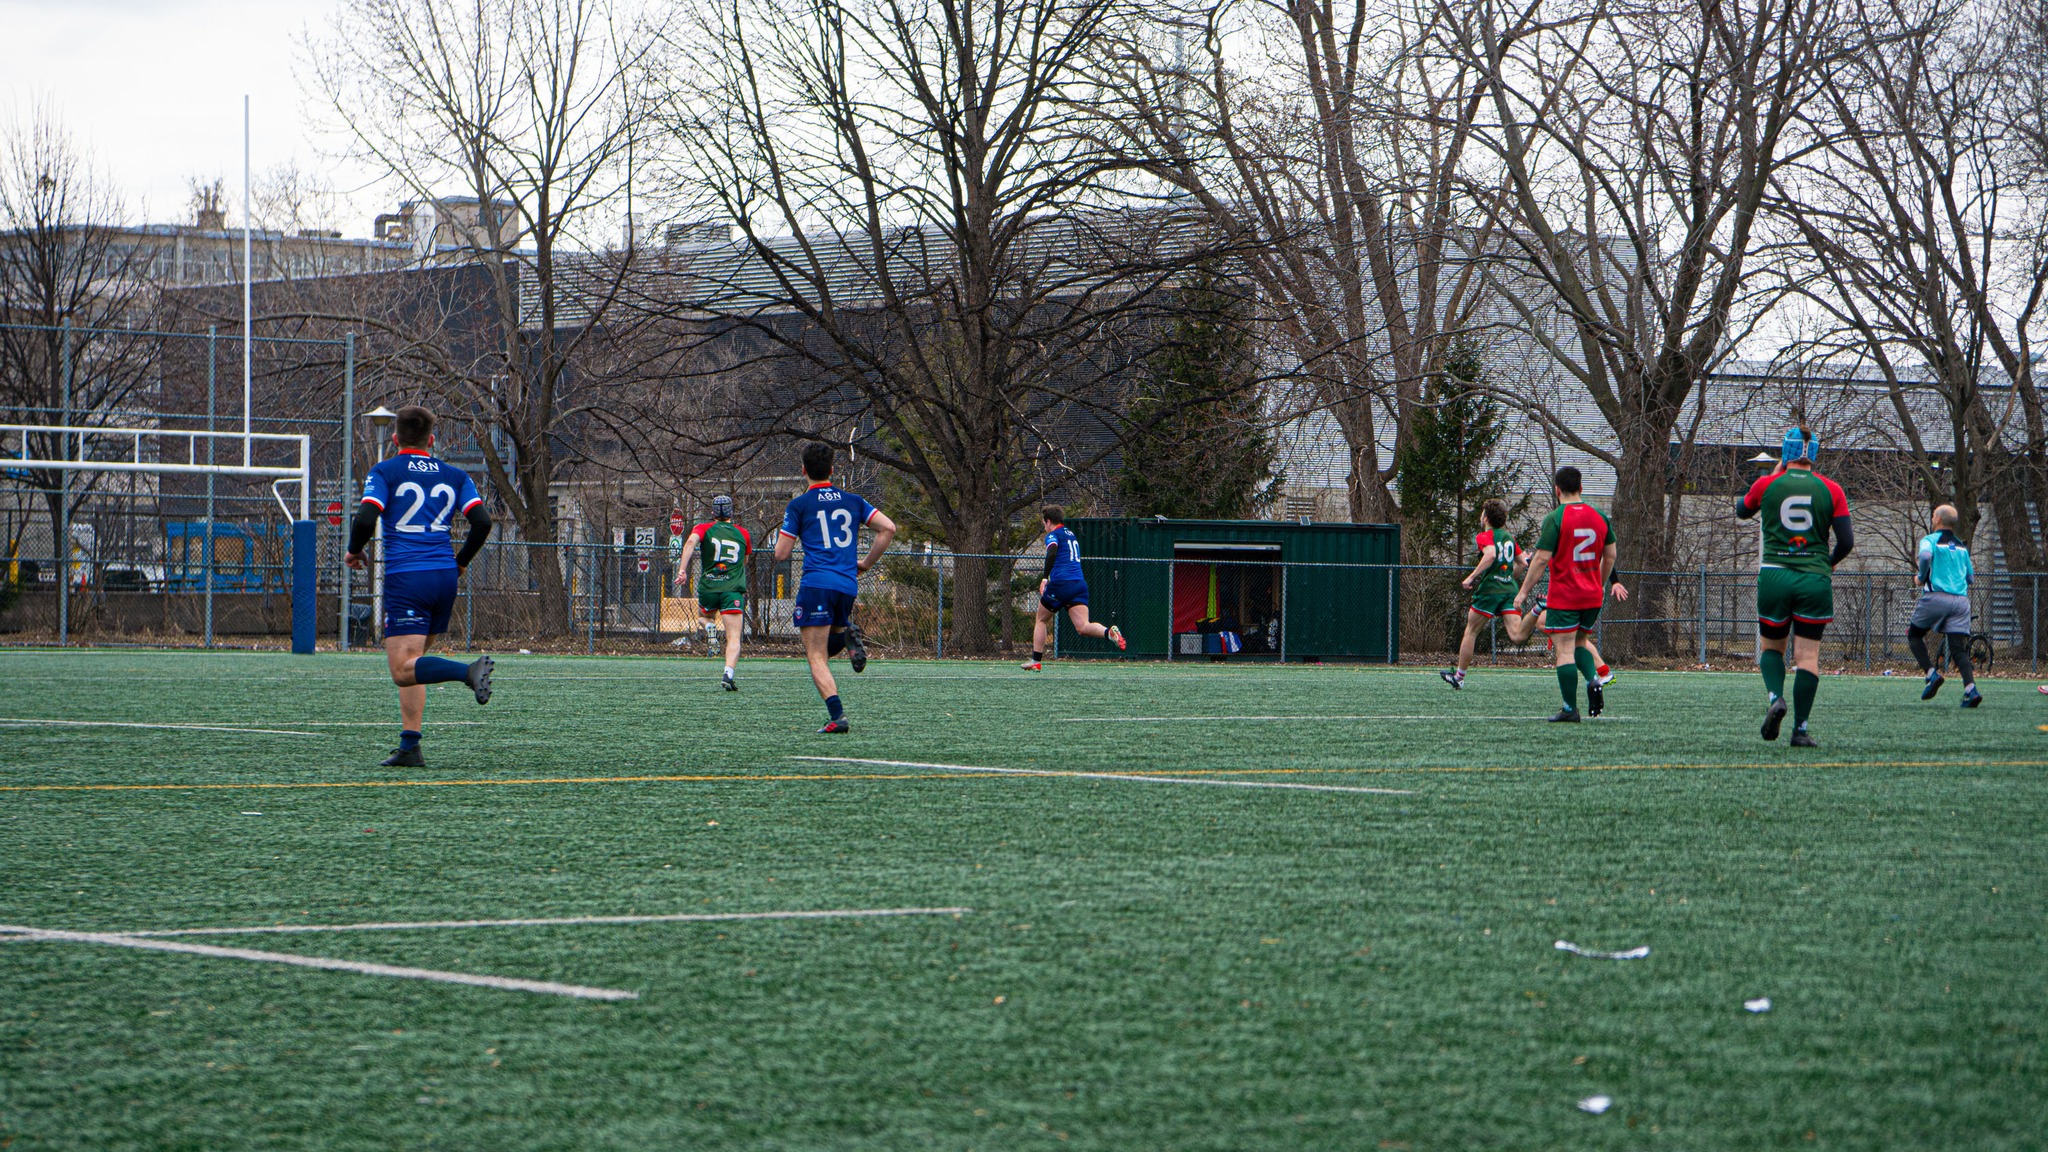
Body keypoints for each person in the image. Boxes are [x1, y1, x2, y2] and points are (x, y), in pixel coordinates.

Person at [343, 405, 494, 768]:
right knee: (415, 663)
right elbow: (483, 522)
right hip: (444, 576)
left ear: (395, 438)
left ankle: (467, 672)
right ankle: (410, 746)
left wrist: (353, 551)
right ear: (431, 440)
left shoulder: (385, 471)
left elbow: (366, 516)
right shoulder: (456, 475)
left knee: (401, 669)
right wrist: (460, 562)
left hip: (408, 577)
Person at [1736, 427, 1853, 747]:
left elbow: (1742, 510)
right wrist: (1826, 563)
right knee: (1808, 658)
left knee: (1771, 649)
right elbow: (1847, 542)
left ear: (1785, 453)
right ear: (1813, 454)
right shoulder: (1832, 490)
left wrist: (1772, 476)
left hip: (1775, 575)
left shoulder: (1767, 484)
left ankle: (1775, 696)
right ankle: (1800, 729)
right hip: (1813, 579)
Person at [774, 444, 897, 733]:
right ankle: (845, 635)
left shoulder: (800, 505)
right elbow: (888, 528)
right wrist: (865, 563)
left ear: (804, 471)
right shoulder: (853, 501)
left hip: (817, 584)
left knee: (815, 656)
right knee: (823, 650)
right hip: (847, 585)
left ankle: (837, 716)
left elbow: (781, 554)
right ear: (832, 470)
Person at [1514, 466, 1627, 721]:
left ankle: (1569, 709)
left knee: (1564, 649)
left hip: (1565, 595)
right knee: (1579, 642)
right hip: (1592, 596)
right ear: (1581, 488)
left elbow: (1541, 558)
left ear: (1557, 490)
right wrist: (1599, 584)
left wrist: (1523, 592)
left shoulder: (1555, 518)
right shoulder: (1600, 517)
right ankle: (1593, 679)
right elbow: (1610, 555)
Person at [1023, 507, 1126, 670]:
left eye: (1044, 522)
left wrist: (1044, 578)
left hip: (1061, 584)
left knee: (1041, 619)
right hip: (1079, 584)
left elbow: (1052, 552)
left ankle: (1036, 660)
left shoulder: (1053, 535)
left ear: (1048, 521)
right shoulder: (1071, 534)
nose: (1044, 526)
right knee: (1083, 626)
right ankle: (1109, 633)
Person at [1442, 499, 1526, 689]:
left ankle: (1459, 677)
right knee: (1516, 634)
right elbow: (1522, 563)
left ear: (1486, 517)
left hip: (1490, 591)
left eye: (1482, 514)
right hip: (1509, 591)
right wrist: (1508, 578)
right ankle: (1537, 612)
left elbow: (1490, 554)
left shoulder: (1484, 536)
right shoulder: (1510, 538)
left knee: (1471, 631)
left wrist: (1471, 577)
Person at [1908, 504, 1980, 708]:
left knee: (1914, 635)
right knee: (1959, 650)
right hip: (1961, 602)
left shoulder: (1930, 540)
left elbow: (1924, 556)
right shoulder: (1960, 546)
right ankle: (1970, 690)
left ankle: (1931, 674)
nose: (1932, 519)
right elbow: (1971, 578)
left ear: (1938, 520)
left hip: (1937, 598)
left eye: (1933, 516)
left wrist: (1921, 577)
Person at [677, 494, 752, 690]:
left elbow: (691, 543)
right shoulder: (743, 533)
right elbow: (745, 561)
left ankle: (710, 627)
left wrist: (682, 569)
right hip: (732, 590)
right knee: (734, 637)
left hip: (709, 587)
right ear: (731, 512)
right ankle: (728, 674)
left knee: (704, 617)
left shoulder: (703, 528)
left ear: (712, 513)